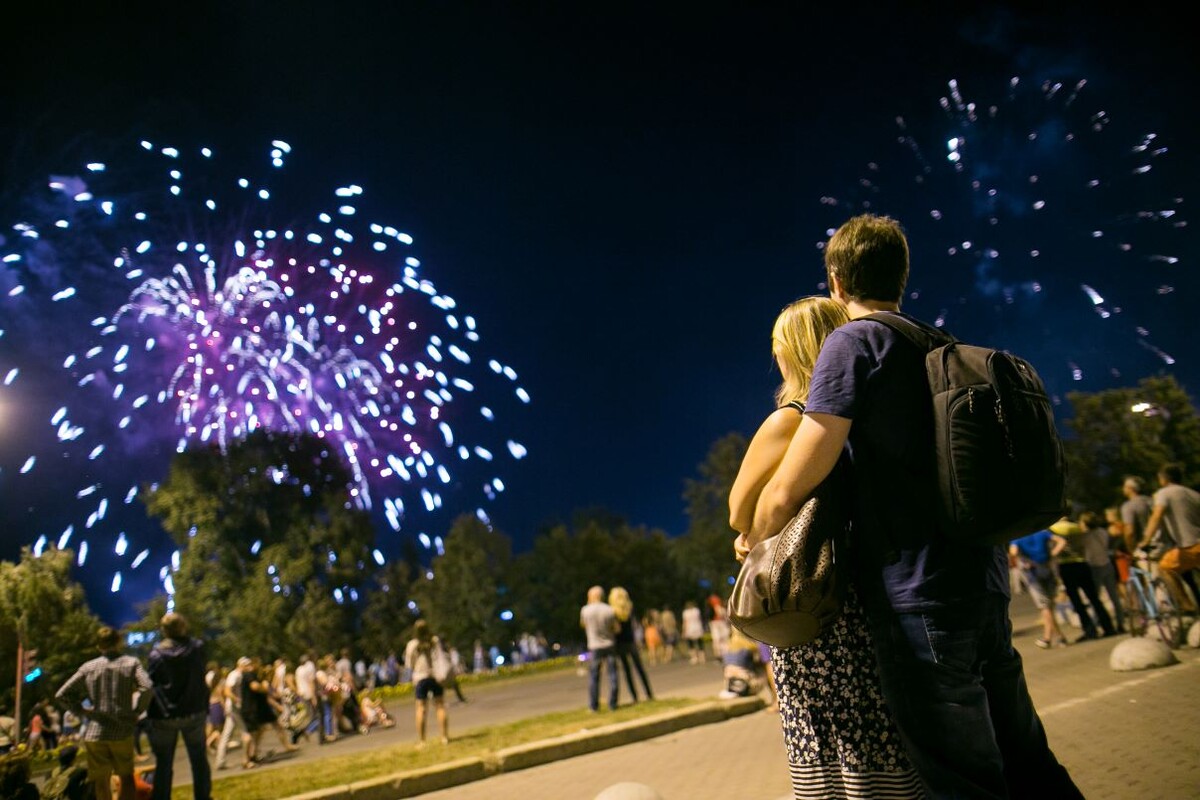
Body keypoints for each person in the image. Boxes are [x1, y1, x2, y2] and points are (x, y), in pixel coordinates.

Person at [743, 214, 1082, 798]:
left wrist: (759, 538)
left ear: (836, 280)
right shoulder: (935, 342)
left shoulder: (853, 341)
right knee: (1028, 761)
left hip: (916, 594)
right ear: (901, 274)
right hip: (982, 577)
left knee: (960, 777)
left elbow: (793, 480)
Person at [729, 294, 924, 797]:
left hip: (813, 597)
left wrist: (751, 535)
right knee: (876, 717)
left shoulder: (789, 420)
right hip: (863, 590)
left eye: (777, 346)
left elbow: (737, 509)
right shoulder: (866, 415)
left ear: (792, 349)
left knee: (827, 726)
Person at [55, 625, 154, 800]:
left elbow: (61, 694)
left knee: (101, 781)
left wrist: (81, 711)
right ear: (118, 642)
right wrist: (137, 710)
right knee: (126, 778)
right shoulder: (131, 663)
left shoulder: (88, 667)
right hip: (121, 730)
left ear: (99, 646)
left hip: (95, 732)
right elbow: (147, 687)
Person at [145, 612, 212, 800]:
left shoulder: (156, 654)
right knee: (199, 759)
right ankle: (203, 797)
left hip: (164, 714)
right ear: (183, 626)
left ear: (164, 630)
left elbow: (151, 683)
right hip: (193, 710)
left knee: (164, 763)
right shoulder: (196, 648)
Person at [1138, 462, 1200, 612]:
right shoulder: (1194, 494)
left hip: (1190, 547)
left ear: (1163, 478)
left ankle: (1188, 606)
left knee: (1164, 569)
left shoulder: (1164, 493)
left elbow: (1157, 515)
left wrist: (1146, 540)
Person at [1052, 516, 1117, 641]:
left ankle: (1090, 630)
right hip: (1082, 564)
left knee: (1077, 601)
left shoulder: (1053, 529)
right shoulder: (1077, 527)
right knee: (1094, 599)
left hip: (1066, 566)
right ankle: (1108, 627)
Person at [1010, 528, 1070, 648]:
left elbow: (1013, 552)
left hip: (1033, 574)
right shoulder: (1042, 532)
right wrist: (1052, 554)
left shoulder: (1018, 535)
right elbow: (1062, 541)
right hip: (1048, 570)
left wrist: (1025, 559)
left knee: (1044, 606)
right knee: (1049, 605)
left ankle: (1047, 638)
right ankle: (1060, 637)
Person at [403, 620, 450, 747]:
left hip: (420, 678)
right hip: (435, 676)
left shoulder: (412, 645)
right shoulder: (434, 641)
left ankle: (422, 740)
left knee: (421, 709)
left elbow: (409, 664)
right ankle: (444, 737)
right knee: (440, 706)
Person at [1079, 511, 1126, 633]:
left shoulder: (1085, 536)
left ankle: (1098, 622)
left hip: (1094, 567)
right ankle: (1121, 623)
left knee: (1096, 599)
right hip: (1107, 564)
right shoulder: (1103, 532)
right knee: (1114, 597)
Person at [608, 586, 654, 702]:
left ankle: (634, 696)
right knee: (640, 668)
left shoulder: (612, 612)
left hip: (620, 643)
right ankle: (649, 693)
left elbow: (616, 629)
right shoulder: (629, 608)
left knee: (627, 671)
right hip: (631, 641)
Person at [580, 586, 619, 712]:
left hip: (595, 646)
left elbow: (583, 624)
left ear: (592, 596)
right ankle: (612, 703)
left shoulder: (585, 610)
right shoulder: (609, 610)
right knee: (612, 674)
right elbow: (616, 628)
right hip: (609, 644)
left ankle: (593, 705)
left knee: (594, 677)